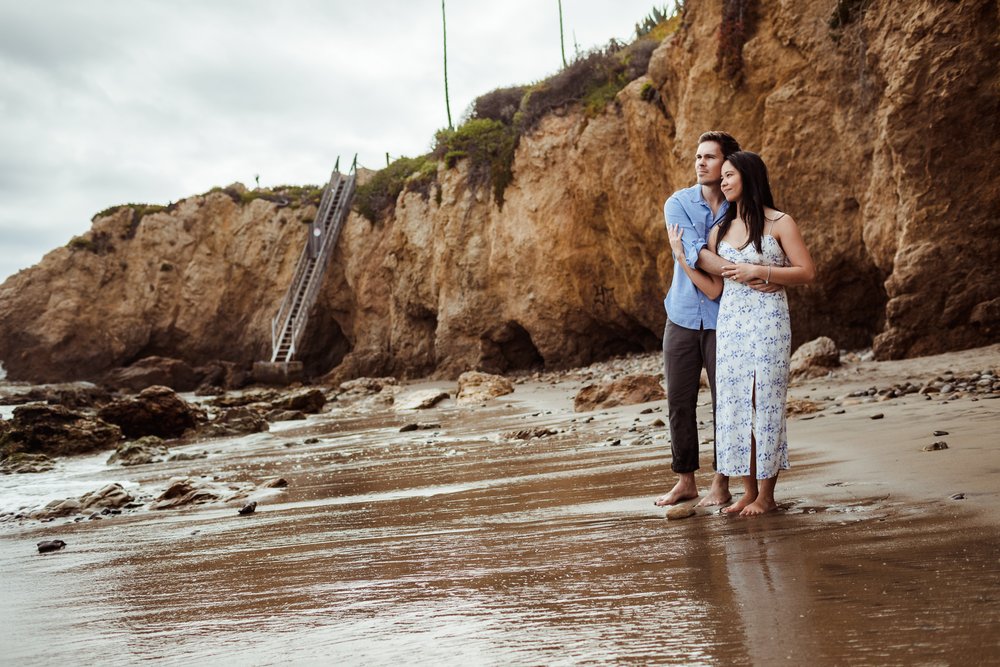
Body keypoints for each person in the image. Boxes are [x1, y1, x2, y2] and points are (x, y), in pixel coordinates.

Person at [695, 150, 816, 516]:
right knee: (735, 405)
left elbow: (806, 272)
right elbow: (716, 288)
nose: (724, 182)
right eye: (723, 177)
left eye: (730, 175)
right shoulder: (720, 229)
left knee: (763, 401)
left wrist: (761, 272)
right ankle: (747, 492)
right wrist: (684, 259)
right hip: (731, 325)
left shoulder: (780, 222)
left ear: (749, 176)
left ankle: (767, 494)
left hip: (768, 322)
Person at [654, 131, 741, 508]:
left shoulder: (738, 207)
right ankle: (685, 480)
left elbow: (700, 257)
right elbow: (692, 253)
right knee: (679, 400)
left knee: (725, 401)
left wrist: (730, 269)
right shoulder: (678, 203)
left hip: (726, 319)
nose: (701, 162)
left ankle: (721, 483)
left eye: (710, 156)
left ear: (727, 163)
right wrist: (738, 269)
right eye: (698, 156)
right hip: (682, 314)